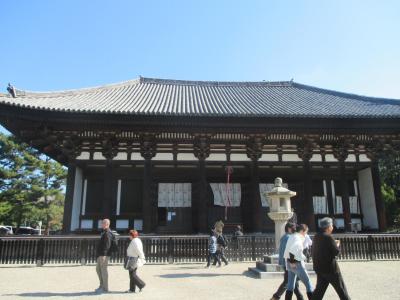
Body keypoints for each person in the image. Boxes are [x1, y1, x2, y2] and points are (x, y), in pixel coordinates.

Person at [312, 217, 351, 300]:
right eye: (332, 225)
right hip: (331, 269)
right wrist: (337, 245)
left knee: (319, 291)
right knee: (341, 290)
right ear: (328, 227)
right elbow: (336, 252)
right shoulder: (328, 237)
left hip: (319, 268)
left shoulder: (316, 236)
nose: (332, 227)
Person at [270, 222, 304, 300]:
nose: (295, 229)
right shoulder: (289, 238)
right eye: (294, 227)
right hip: (290, 263)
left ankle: (300, 297)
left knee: (293, 282)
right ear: (289, 228)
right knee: (288, 281)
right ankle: (275, 297)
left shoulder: (284, 237)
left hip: (287, 262)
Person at [284, 224, 313, 300]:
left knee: (290, 285)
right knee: (308, 283)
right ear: (301, 231)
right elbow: (293, 249)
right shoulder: (298, 237)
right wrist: (292, 262)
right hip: (296, 263)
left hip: (288, 262)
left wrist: (290, 262)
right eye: (305, 232)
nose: (305, 234)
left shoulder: (292, 236)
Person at [95, 219, 113, 293]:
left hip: (104, 255)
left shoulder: (108, 233)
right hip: (100, 254)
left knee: (103, 270)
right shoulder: (104, 232)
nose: (101, 224)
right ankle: (101, 285)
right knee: (98, 269)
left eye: (103, 223)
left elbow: (107, 245)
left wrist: (104, 255)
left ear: (106, 224)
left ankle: (105, 288)